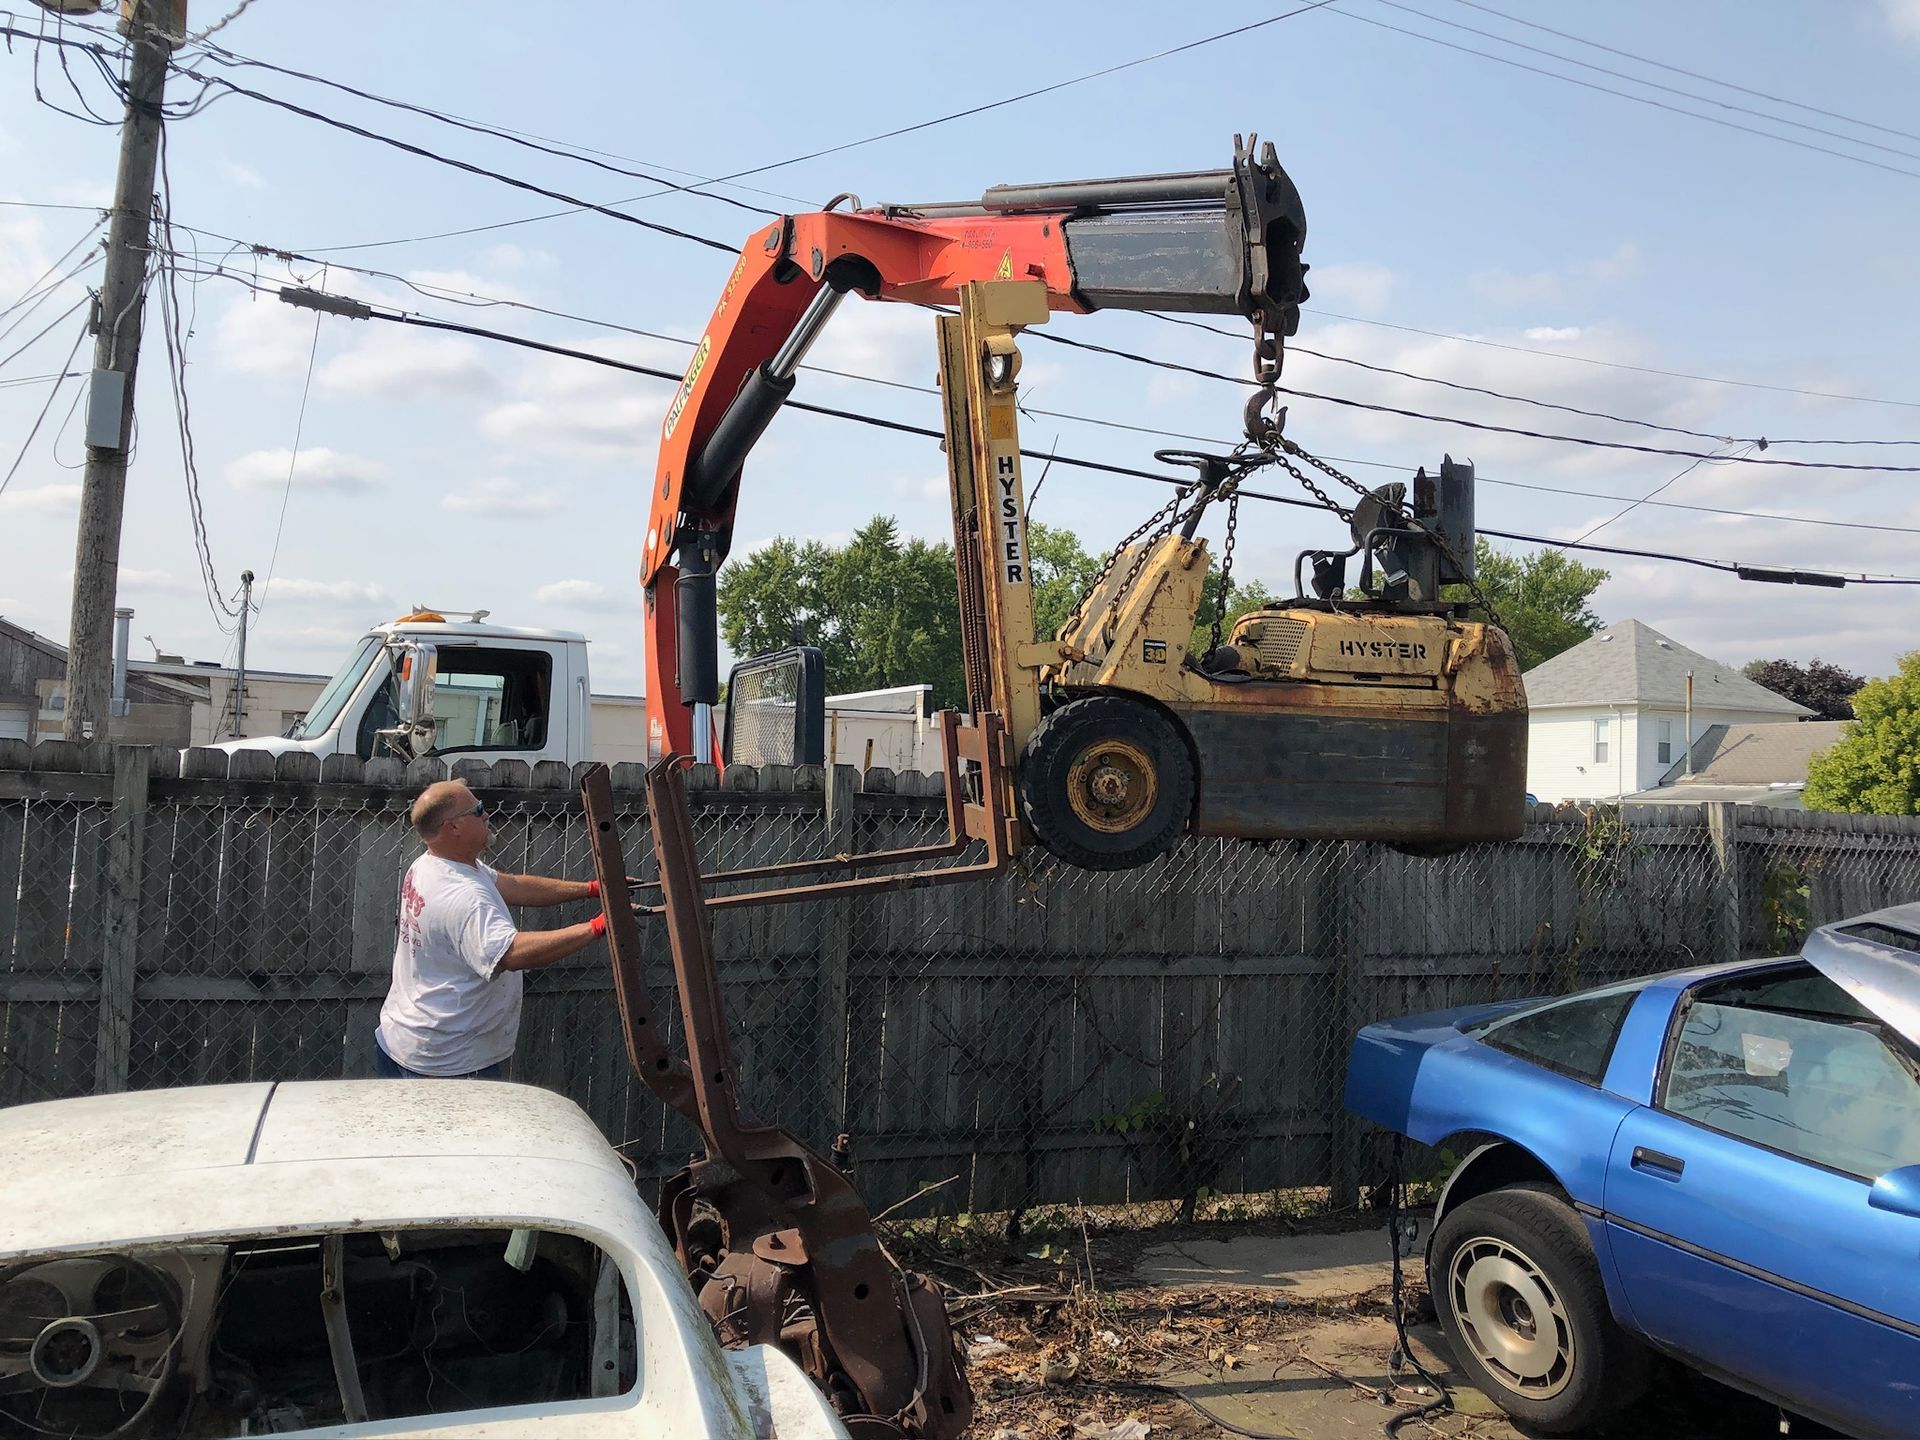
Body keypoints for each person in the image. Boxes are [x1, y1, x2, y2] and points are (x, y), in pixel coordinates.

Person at [374, 779, 606, 1080]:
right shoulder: (463, 896)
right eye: (477, 810)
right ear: (453, 827)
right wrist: (597, 927)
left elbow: (513, 886)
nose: (486, 814)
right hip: (448, 1063)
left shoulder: (432, 863)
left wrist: (590, 889)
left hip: (404, 1039)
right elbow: (510, 953)